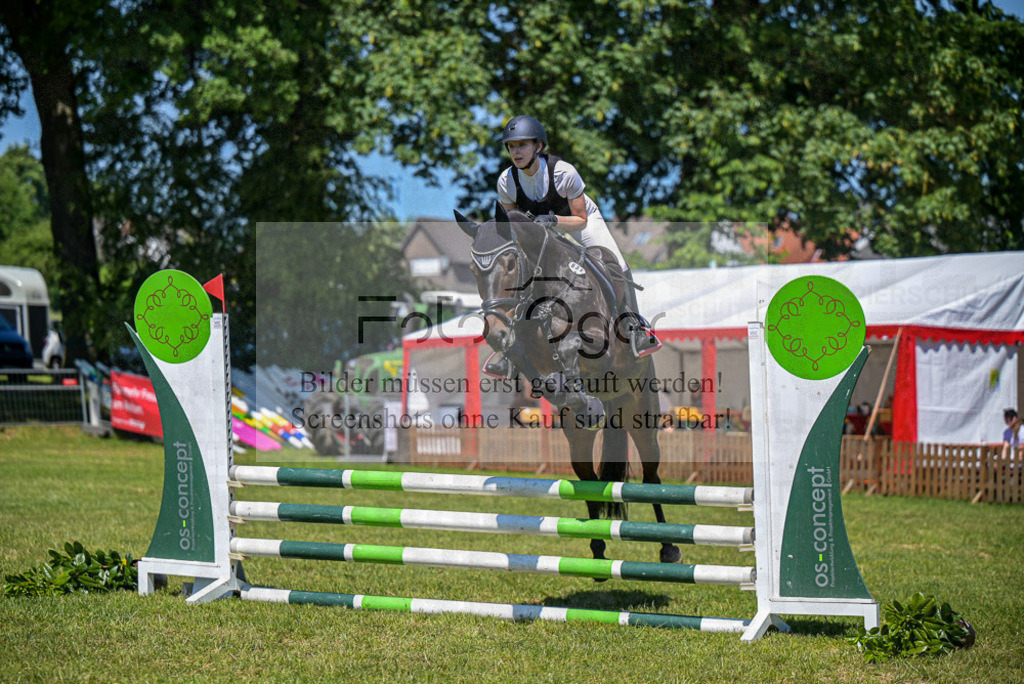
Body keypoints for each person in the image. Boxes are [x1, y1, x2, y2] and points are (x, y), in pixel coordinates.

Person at [485, 115, 660, 379]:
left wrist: (554, 221)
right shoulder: (506, 181)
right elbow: (513, 226)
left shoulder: (563, 173)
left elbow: (581, 220)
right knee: (521, 272)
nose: (516, 152)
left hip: (577, 221)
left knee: (618, 263)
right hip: (541, 231)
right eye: (511, 146)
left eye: (522, 145)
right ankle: (512, 350)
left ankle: (634, 328)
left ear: (538, 146)